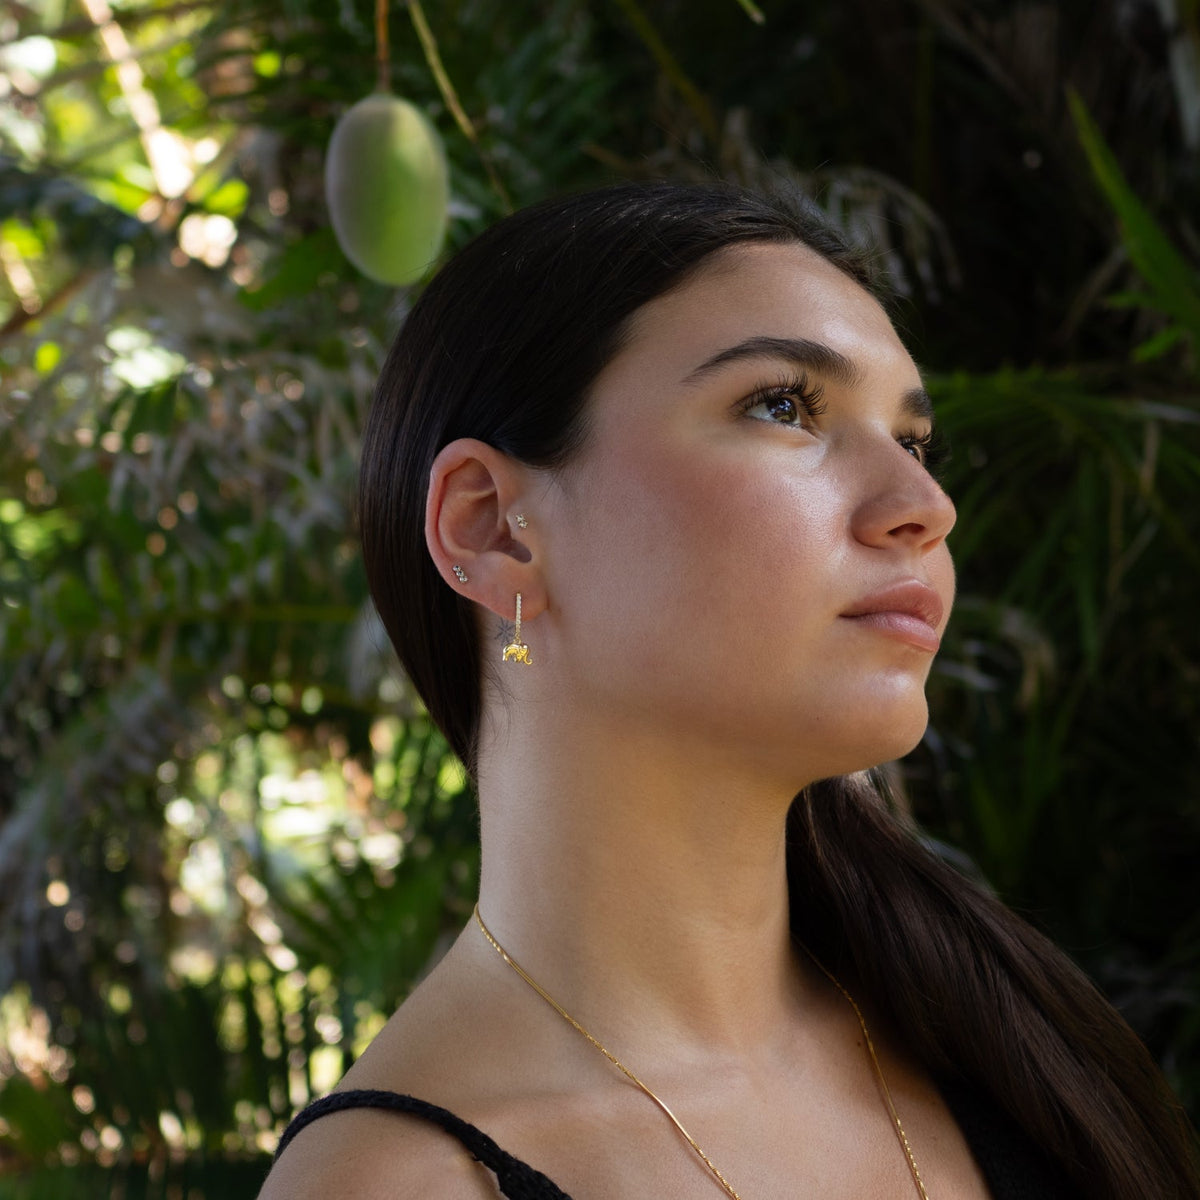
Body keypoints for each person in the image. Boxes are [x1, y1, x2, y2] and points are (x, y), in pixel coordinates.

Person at [258, 181, 1199, 1199]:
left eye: (913, 442)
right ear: (493, 528)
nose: (925, 505)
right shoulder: (405, 1182)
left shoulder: (1024, 1056)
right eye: (783, 406)